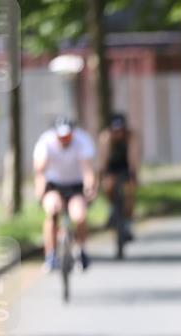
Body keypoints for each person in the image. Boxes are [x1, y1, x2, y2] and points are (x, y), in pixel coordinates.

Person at [33, 117, 96, 272]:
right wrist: (40, 189)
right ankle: (51, 255)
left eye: (67, 136)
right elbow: (40, 170)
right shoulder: (45, 142)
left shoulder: (82, 141)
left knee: (79, 216)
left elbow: (87, 169)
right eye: (61, 137)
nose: (64, 140)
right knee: (52, 211)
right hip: (54, 185)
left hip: (76, 185)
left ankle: (82, 251)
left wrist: (90, 186)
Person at [97, 112, 140, 243]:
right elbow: (103, 159)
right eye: (115, 130)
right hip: (111, 168)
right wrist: (101, 176)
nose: (118, 133)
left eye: (120, 130)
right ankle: (112, 209)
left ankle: (127, 222)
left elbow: (133, 158)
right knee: (108, 186)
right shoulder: (105, 137)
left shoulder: (131, 137)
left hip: (125, 167)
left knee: (129, 191)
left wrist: (133, 175)